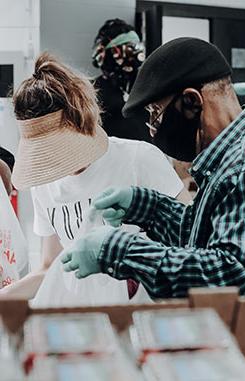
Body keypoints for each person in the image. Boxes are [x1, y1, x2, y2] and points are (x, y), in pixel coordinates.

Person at [61, 38, 245, 340]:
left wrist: (120, 251)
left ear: (191, 102)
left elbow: (232, 275)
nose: (153, 128)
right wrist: (147, 207)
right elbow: (215, 233)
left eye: (156, 113)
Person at [0, 52, 189, 300]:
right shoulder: (45, 185)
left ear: (83, 123)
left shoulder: (138, 160)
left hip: (144, 311)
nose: (58, 161)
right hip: (85, 317)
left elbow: (189, 236)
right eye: (46, 152)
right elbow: (49, 267)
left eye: (60, 147)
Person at [92, 18, 151, 142]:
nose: (136, 52)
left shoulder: (147, 85)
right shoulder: (93, 90)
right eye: (130, 47)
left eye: (137, 46)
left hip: (147, 155)